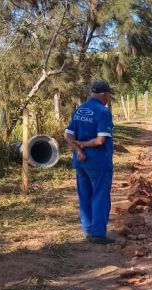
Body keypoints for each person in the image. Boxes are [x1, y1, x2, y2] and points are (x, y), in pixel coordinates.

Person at [64, 80, 115, 245]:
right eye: (108, 96)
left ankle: (87, 230)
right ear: (105, 94)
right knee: (100, 197)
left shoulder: (79, 110)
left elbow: (67, 135)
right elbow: (100, 140)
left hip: (81, 163)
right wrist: (85, 145)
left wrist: (79, 151)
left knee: (85, 196)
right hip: (99, 163)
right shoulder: (103, 111)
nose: (108, 99)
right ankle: (98, 234)